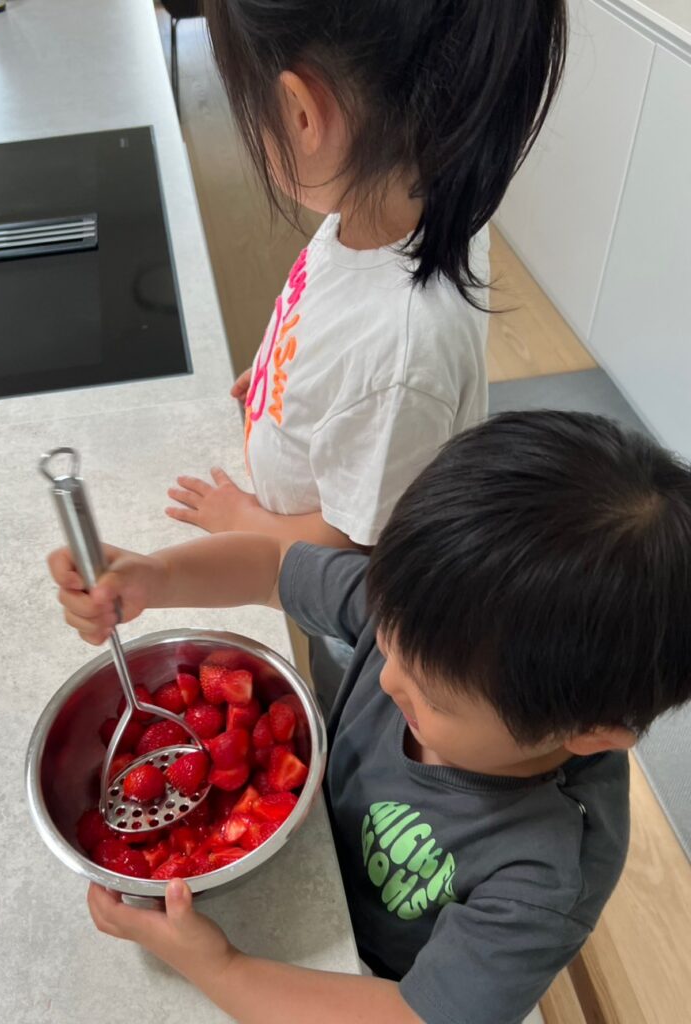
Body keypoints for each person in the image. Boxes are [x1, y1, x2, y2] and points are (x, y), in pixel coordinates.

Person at [49, 411, 691, 1024]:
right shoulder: (435, 615)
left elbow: (415, 1015)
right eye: (387, 638)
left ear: (587, 736)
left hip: (363, 977)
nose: (385, 678)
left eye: (432, 698)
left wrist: (217, 966)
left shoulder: (545, 876)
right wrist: (156, 577)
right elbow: (274, 568)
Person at [164, 0, 568, 549]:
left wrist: (239, 520)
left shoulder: (403, 354)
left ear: (301, 113)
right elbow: (337, 323)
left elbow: (355, 546)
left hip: (304, 577)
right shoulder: (381, 212)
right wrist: (284, 374)